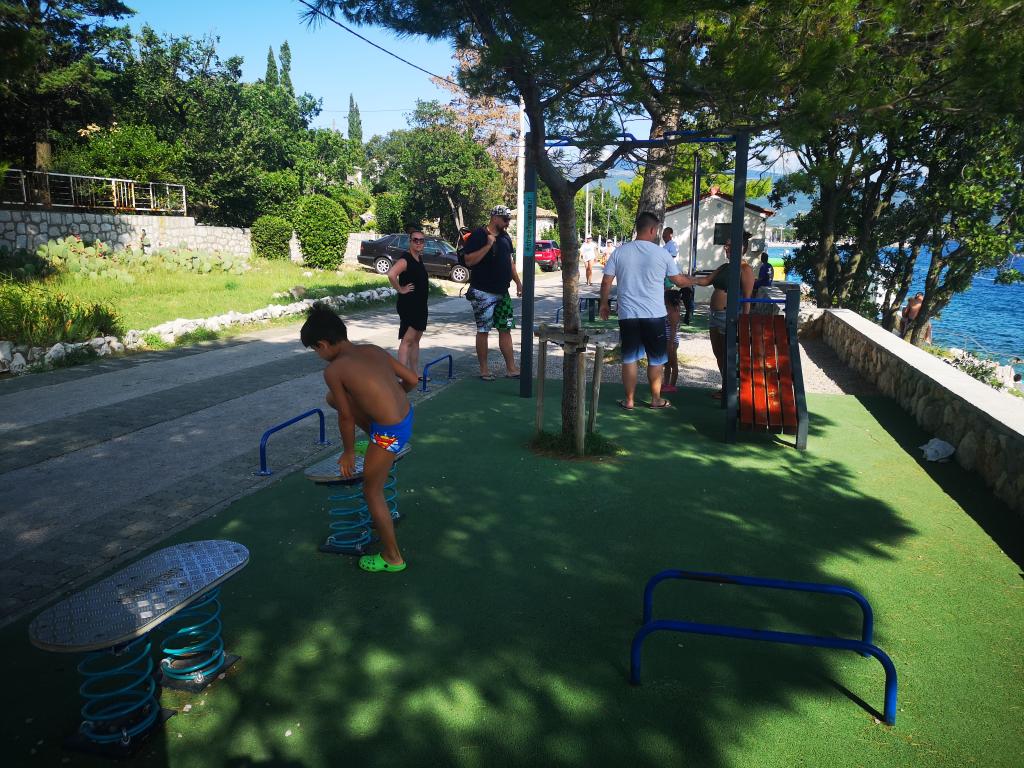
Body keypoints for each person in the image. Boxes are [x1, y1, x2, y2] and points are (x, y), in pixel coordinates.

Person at [300, 304, 419, 574]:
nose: (318, 355)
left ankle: (392, 557)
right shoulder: (372, 350)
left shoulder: (334, 371)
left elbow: (345, 417)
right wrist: (391, 399)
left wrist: (349, 452)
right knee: (333, 398)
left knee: (371, 491)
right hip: (405, 418)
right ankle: (376, 440)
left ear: (322, 345)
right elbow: (412, 379)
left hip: (389, 435)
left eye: (315, 350)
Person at [599, 211, 694, 410]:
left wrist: (604, 304)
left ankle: (629, 401)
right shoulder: (662, 253)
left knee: (629, 358)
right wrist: (700, 281)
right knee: (656, 359)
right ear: (652, 229)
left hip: (628, 315)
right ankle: (656, 399)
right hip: (654, 316)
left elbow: (606, 281)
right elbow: (678, 281)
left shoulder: (619, 252)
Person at [687, 233, 755, 399]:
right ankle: (726, 386)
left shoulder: (745, 270)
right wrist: (687, 279)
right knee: (718, 353)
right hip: (714, 316)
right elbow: (706, 280)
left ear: (741, 247)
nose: (726, 247)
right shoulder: (724, 267)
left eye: (729, 245)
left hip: (728, 317)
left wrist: (744, 321)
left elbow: (747, 299)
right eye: (726, 244)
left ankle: (733, 390)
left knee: (729, 355)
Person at [462, 205, 523, 380]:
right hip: (483, 292)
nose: (507, 223)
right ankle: (484, 369)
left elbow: (510, 262)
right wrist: (488, 245)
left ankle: (511, 368)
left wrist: (518, 282)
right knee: (483, 330)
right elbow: (469, 261)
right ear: (494, 217)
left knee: (506, 328)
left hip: (502, 292)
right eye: (505, 219)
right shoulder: (479, 235)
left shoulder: (505, 237)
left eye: (509, 220)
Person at [387, 228, 428, 376]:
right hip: (409, 305)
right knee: (408, 340)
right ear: (410, 242)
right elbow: (391, 274)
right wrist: (400, 289)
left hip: (421, 305)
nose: (418, 243)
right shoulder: (405, 259)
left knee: (416, 340)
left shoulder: (419, 259)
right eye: (415, 240)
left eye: (421, 240)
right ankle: (402, 375)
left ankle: (414, 373)